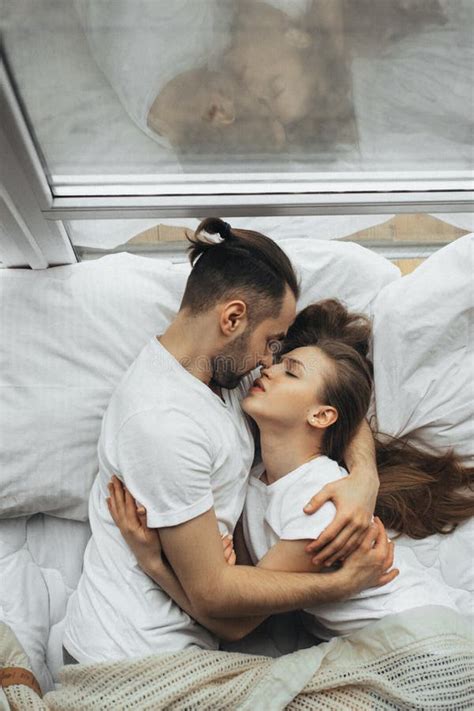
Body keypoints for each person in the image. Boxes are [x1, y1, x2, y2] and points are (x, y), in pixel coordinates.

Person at [63, 219, 387, 664]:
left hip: (184, 644)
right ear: (232, 318)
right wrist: (344, 584)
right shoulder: (163, 423)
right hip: (128, 653)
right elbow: (216, 598)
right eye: (271, 341)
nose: (271, 360)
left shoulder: (231, 371)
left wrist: (364, 479)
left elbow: (336, 401)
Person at [107, 299, 473, 643]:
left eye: (291, 371)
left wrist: (154, 562)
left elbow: (235, 624)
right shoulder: (254, 482)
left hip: (415, 635)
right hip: (379, 641)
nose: (268, 367)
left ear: (320, 416)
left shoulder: (321, 500)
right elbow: (240, 586)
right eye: (277, 359)